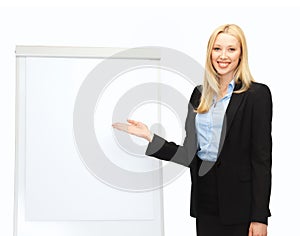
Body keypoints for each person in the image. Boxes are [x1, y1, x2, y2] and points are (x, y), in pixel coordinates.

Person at [112, 24, 272, 236]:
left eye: (231, 49)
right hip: (205, 201)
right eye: (217, 49)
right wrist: (149, 136)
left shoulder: (256, 95)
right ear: (210, 53)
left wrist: (259, 217)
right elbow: (189, 154)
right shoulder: (199, 94)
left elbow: (261, 160)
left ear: (241, 53)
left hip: (240, 207)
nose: (223, 56)